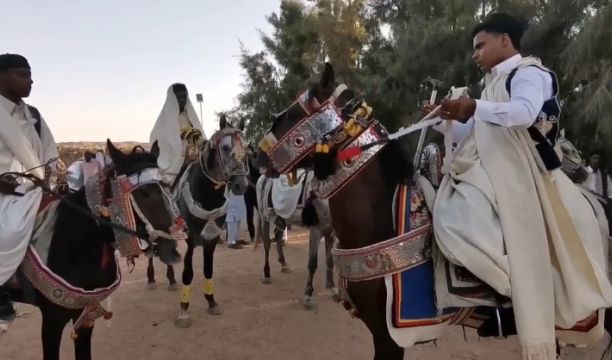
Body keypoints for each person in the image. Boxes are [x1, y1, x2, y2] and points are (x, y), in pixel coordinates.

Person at [422, 13, 612, 358]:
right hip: (489, 165)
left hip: (522, 171)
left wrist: (473, 105)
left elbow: (523, 114)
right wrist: (443, 118)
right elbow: (481, 132)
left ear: (504, 41)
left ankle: (513, 292)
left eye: (481, 45)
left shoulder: (529, 73)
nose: (476, 54)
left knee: (462, 216)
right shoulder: (493, 84)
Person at [0, 53, 58, 330]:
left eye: (30, 74)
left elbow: (49, 151)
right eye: (21, 74)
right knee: (8, 231)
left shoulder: (33, 115)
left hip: (35, 187)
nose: (30, 80)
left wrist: (49, 174)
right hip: (3, 192)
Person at [149, 83, 205, 186]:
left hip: (190, 163)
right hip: (170, 167)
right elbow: (159, 142)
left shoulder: (189, 117)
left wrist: (194, 137)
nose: (182, 101)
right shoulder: (164, 120)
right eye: (179, 98)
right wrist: (179, 138)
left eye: (184, 97)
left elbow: (199, 138)